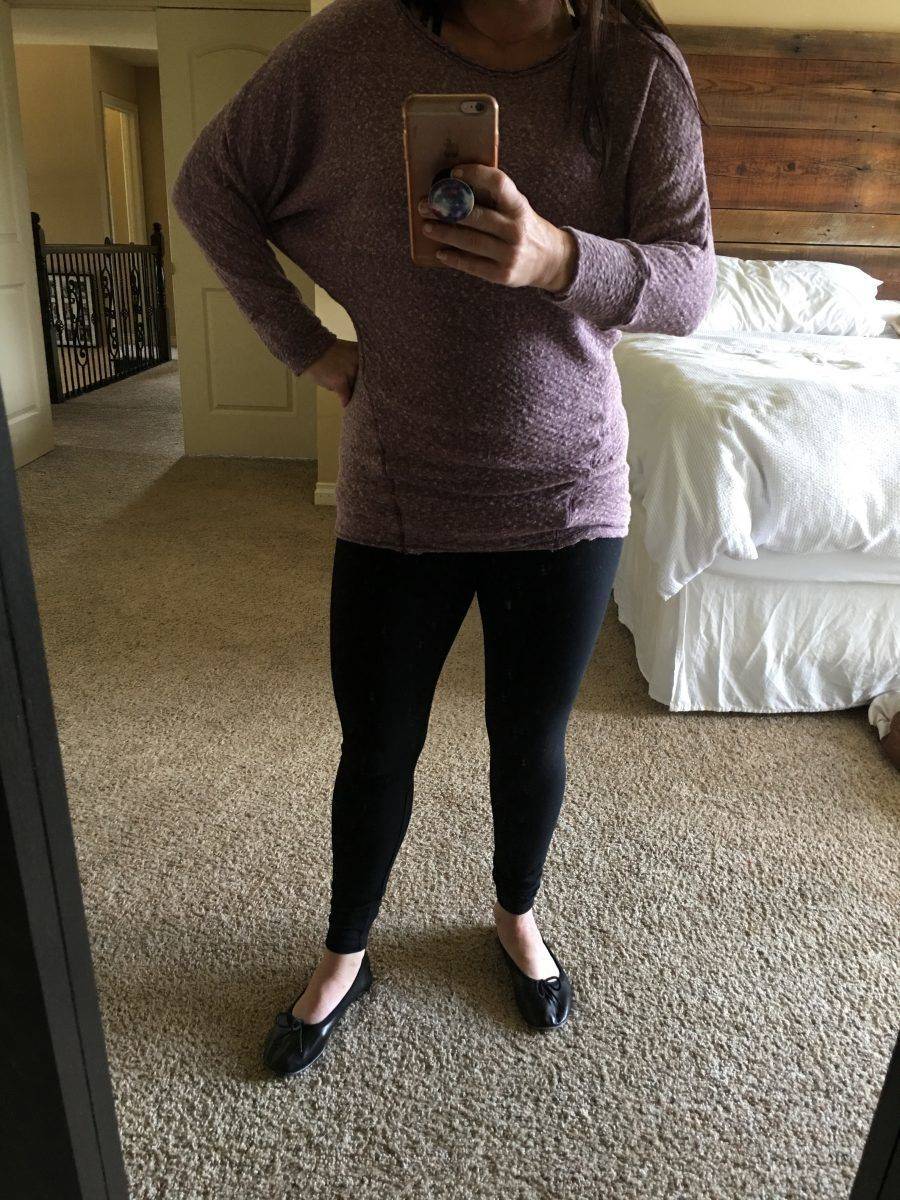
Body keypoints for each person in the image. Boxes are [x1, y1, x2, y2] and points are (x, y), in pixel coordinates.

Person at [170, 0, 716, 1077]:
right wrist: (307, 348)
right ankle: (345, 950)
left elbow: (692, 285)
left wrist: (556, 255)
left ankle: (517, 915)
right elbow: (210, 186)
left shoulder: (636, 69)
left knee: (530, 739)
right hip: (400, 483)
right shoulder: (349, 45)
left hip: (566, 489)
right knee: (376, 744)